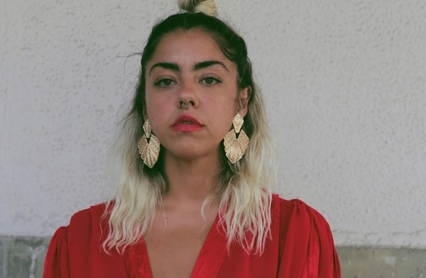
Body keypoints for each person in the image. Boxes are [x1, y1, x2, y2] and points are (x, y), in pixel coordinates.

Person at [43, 0, 341, 277]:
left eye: (209, 79)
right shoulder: (81, 242)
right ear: (145, 105)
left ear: (241, 101)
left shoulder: (294, 236)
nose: (186, 95)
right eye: (166, 81)